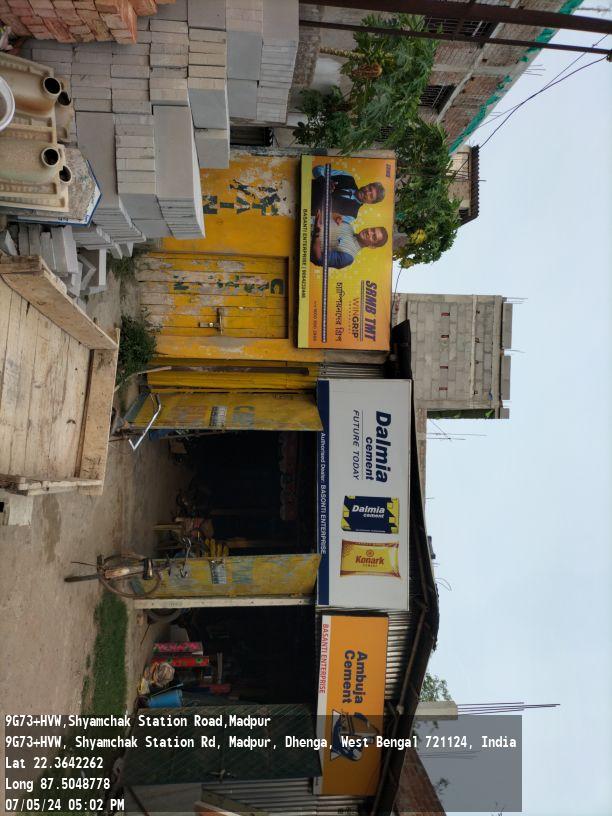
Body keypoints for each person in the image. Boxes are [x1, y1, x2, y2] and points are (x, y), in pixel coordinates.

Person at [310, 210, 388, 269]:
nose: (369, 233)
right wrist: (333, 215)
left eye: (373, 237)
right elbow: (321, 216)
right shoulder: (348, 226)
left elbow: (319, 259)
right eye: (372, 229)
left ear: (372, 246)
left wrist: (317, 233)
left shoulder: (348, 257)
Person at [311, 167, 385, 220]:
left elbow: (323, 223)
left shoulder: (351, 216)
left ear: (370, 203)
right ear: (367, 185)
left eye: (371, 196)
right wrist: (323, 180)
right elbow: (317, 169)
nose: (367, 192)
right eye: (369, 188)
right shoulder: (348, 177)